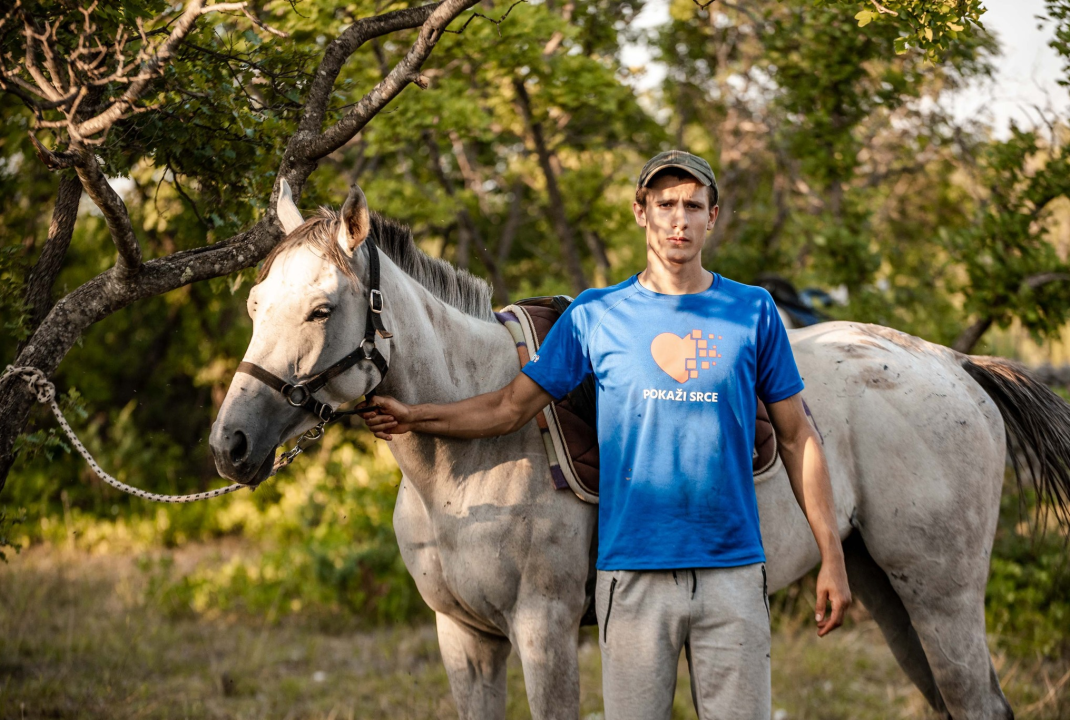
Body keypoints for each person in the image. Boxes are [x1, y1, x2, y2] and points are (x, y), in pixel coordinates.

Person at [360, 150, 851, 720]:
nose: (679, 220)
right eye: (665, 204)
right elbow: (506, 408)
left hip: (734, 575)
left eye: (693, 206)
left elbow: (798, 439)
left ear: (712, 218)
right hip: (631, 578)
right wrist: (414, 417)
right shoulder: (596, 315)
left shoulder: (753, 311)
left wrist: (831, 558)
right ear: (640, 212)